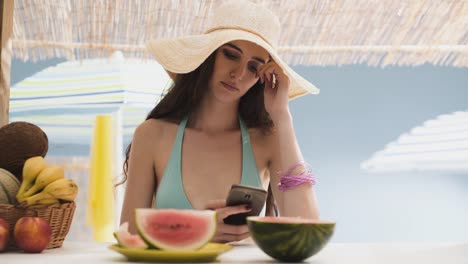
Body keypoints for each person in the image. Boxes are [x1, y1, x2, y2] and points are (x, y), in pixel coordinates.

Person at [120, 0, 320, 243]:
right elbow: (128, 236)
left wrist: (282, 116)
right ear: (208, 55)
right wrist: (196, 230)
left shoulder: (267, 140)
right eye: (230, 55)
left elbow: (307, 231)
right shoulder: (152, 135)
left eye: (254, 67)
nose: (239, 73)